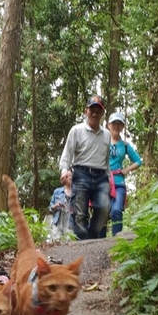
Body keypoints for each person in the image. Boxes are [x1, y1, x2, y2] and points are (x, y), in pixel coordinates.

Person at [59, 94, 111, 240]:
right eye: (92, 110)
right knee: (79, 214)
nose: (95, 113)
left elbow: (106, 158)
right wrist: (64, 170)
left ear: (102, 113)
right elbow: (67, 154)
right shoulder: (77, 130)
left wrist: (108, 175)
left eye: (98, 110)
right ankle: (83, 243)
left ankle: (92, 236)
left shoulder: (106, 134)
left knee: (104, 208)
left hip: (101, 176)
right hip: (81, 174)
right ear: (86, 111)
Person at [107, 111, 142, 235]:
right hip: (102, 182)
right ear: (108, 125)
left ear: (122, 127)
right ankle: (97, 244)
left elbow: (138, 161)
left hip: (118, 182)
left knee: (116, 210)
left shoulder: (125, 145)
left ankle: (117, 241)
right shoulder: (102, 142)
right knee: (101, 212)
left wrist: (126, 170)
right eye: (114, 123)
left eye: (119, 124)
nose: (116, 126)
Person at [48, 171, 74, 239]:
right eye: (68, 176)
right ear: (64, 178)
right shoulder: (57, 191)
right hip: (57, 224)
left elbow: (77, 210)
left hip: (70, 225)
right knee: (56, 245)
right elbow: (50, 208)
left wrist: (69, 208)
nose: (70, 177)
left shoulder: (75, 193)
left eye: (71, 175)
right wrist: (56, 206)